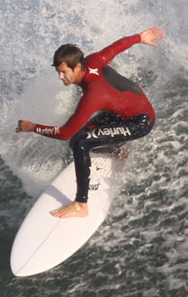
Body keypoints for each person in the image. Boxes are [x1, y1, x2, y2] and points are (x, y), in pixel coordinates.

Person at [16, 26, 164, 218]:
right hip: (126, 109)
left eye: (63, 72)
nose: (60, 77)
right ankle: (117, 151)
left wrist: (33, 127)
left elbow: (64, 133)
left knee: (78, 142)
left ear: (77, 67)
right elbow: (117, 46)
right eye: (58, 72)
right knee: (82, 134)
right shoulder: (92, 60)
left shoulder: (93, 94)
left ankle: (80, 204)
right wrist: (140, 37)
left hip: (140, 121)